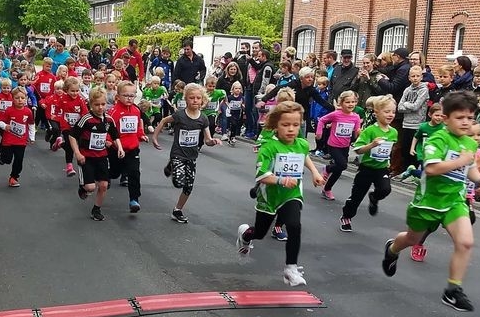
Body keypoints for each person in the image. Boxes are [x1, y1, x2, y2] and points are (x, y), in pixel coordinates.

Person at [381, 91, 480, 312]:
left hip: (454, 201)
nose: (466, 122)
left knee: (465, 242)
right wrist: (460, 161)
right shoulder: (439, 139)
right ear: (446, 118)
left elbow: (468, 167)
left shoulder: (469, 143)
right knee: (412, 238)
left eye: (470, 118)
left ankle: (453, 290)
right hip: (428, 202)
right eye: (460, 117)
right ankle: (392, 250)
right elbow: (431, 169)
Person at [235, 101, 325, 286]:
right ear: (276, 125)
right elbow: (261, 175)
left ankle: (291, 268)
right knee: (260, 233)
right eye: (285, 125)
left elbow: (304, 156)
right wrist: (281, 180)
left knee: (294, 225)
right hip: (269, 196)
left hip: (291, 194)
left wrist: (315, 172)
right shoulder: (269, 147)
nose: (291, 129)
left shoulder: (302, 143)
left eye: (295, 125)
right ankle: (245, 236)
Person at [152, 82, 221, 224]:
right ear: (186, 99)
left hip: (191, 156)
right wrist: (154, 138)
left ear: (202, 100)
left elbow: (207, 140)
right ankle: (172, 165)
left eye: (198, 98)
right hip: (178, 154)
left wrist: (213, 141)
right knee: (179, 182)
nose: (195, 100)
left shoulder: (203, 118)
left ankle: (177, 210)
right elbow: (164, 121)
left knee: (188, 186)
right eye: (191, 98)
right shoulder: (180, 115)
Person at [341, 95, 399, 231]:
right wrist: (372, 145)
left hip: (381, 168)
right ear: (376, 113)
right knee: (356, 197)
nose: (390, 115)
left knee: (385, 189)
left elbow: (390, 149)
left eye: (393, 112)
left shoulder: (394, 132)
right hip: (366, 168)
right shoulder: (370, 131)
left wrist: (388, 160)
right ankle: (346, 216)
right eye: (387, 111)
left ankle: (374, 197)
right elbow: (358, 150)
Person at [71, 88, 124, 221]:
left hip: (102, 156)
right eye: (97, 104)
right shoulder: (86, 119)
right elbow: (72, 136)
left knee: (104, 185)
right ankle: (83, 187)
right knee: (90, 187)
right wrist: (77, 153)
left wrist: (120, 148)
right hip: (86, 157)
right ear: (91, 104)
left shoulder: (109, 120)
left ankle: (96, 209)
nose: (100, 107)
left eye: (103, 104)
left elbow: (115, 135)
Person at [315, 90, 361, 201]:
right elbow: (322, 120)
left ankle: (327, 189)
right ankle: (327, 168)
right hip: (333, 145)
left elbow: (356, 132)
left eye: (353, 102)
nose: (351, 104)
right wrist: (319, 132)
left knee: (339, 169)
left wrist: (359, 135)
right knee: (342, 165)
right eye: (347, 102)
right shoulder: (336, 114)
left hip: (345, 146)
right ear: (341, 103)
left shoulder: (356, 117)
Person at [109, 80, 146, 212]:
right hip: (117, 149)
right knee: (114, 173)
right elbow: (109, 129)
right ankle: (105, 176)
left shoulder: (136, 110)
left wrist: (141, 135)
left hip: (132, 148)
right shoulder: (114, 111)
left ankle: (134, 199)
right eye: (126, 95)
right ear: (118, 96)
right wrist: (109, 141)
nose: (129, 98)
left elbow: (137, 127)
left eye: (132, 95)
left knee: (134, 172)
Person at [0, 87, 35, 187]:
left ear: (26, 98)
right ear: (13, 99)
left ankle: (14, 177)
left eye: (22, 98)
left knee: (19, 159)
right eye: (17, 98)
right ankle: (3, 158)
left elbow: (31, 124)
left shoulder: (28, 111)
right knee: (8, 159)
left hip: (21, 140)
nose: (20, 100)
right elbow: (0, 121)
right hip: (8, 140)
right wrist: (5, 126)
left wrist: (32, 137)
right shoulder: (9, 110)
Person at [396, 66, 429, 172]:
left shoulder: (423, 90)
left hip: (417, 124)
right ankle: (405, 171)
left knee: (414, 150)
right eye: (413, 76)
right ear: (409, 77)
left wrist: (406, 104)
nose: (415, 78)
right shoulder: (407, 90)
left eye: (417, 76)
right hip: (406, 123)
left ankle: (413, 172)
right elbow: (399, 107)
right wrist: (409, 106)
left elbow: (416, 106)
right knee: (405, 149)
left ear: (421, 77)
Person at [54, 76, 88, 177]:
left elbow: (85, 113)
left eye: (77, 91)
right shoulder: (62, 99)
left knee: (77, 144)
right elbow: (57, 109)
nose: (75, 93)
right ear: (66, 90)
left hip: (77, 126)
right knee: (69, 145)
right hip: (66, 125)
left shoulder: (80, 100)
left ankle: (60, 143)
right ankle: (69, 166)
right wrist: (58, 117)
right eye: (72, 91)